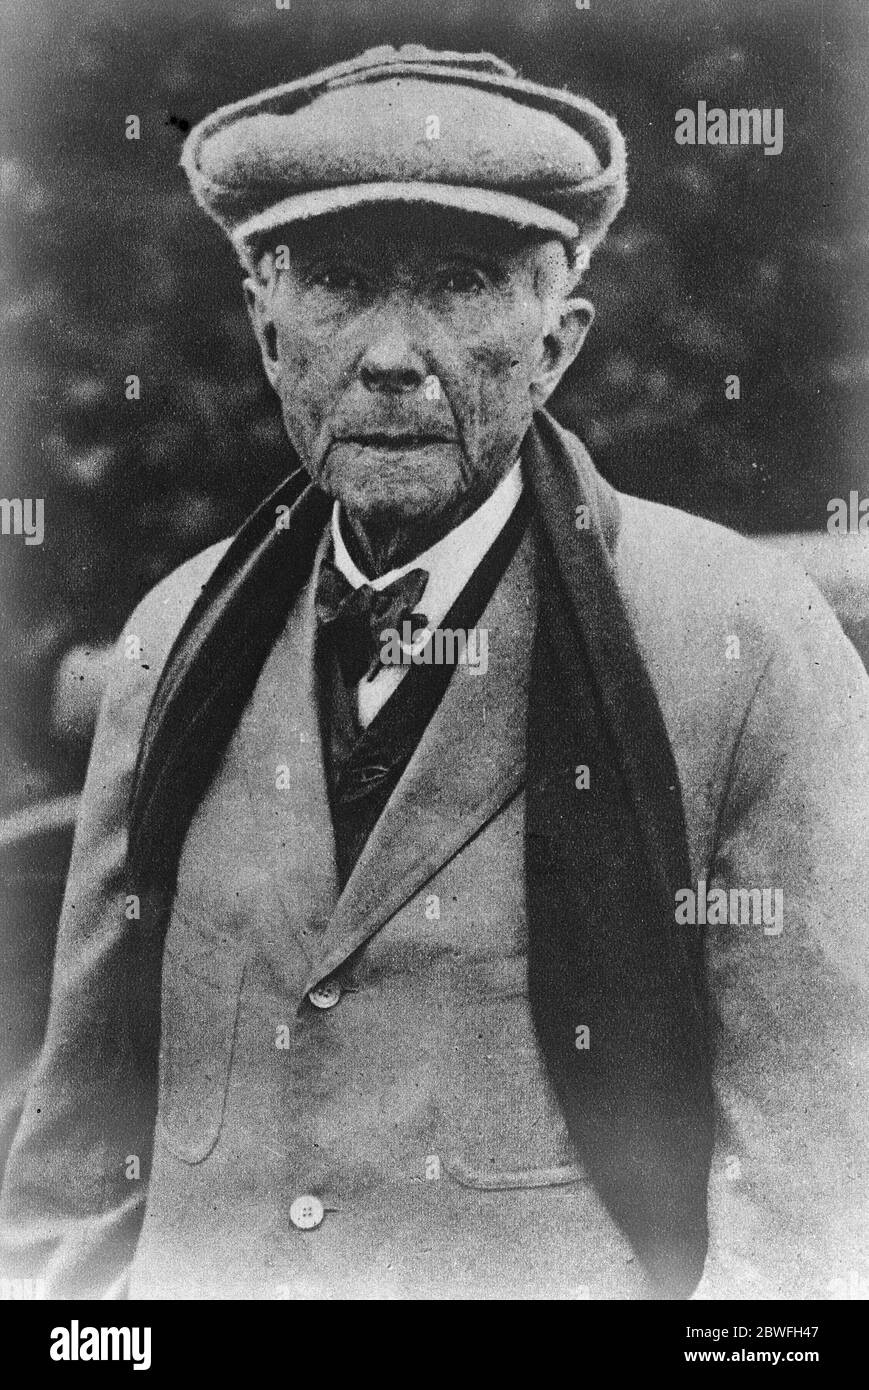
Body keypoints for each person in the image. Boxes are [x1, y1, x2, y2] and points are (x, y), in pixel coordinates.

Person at [1, 44, 867, 1301]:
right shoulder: (171, 639)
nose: (392, 356)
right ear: (267, 334)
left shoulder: (743, 644)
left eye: (459, 286)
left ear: (557, 343)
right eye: (341, 285)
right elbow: (74, 1165)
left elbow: (810, 1198)